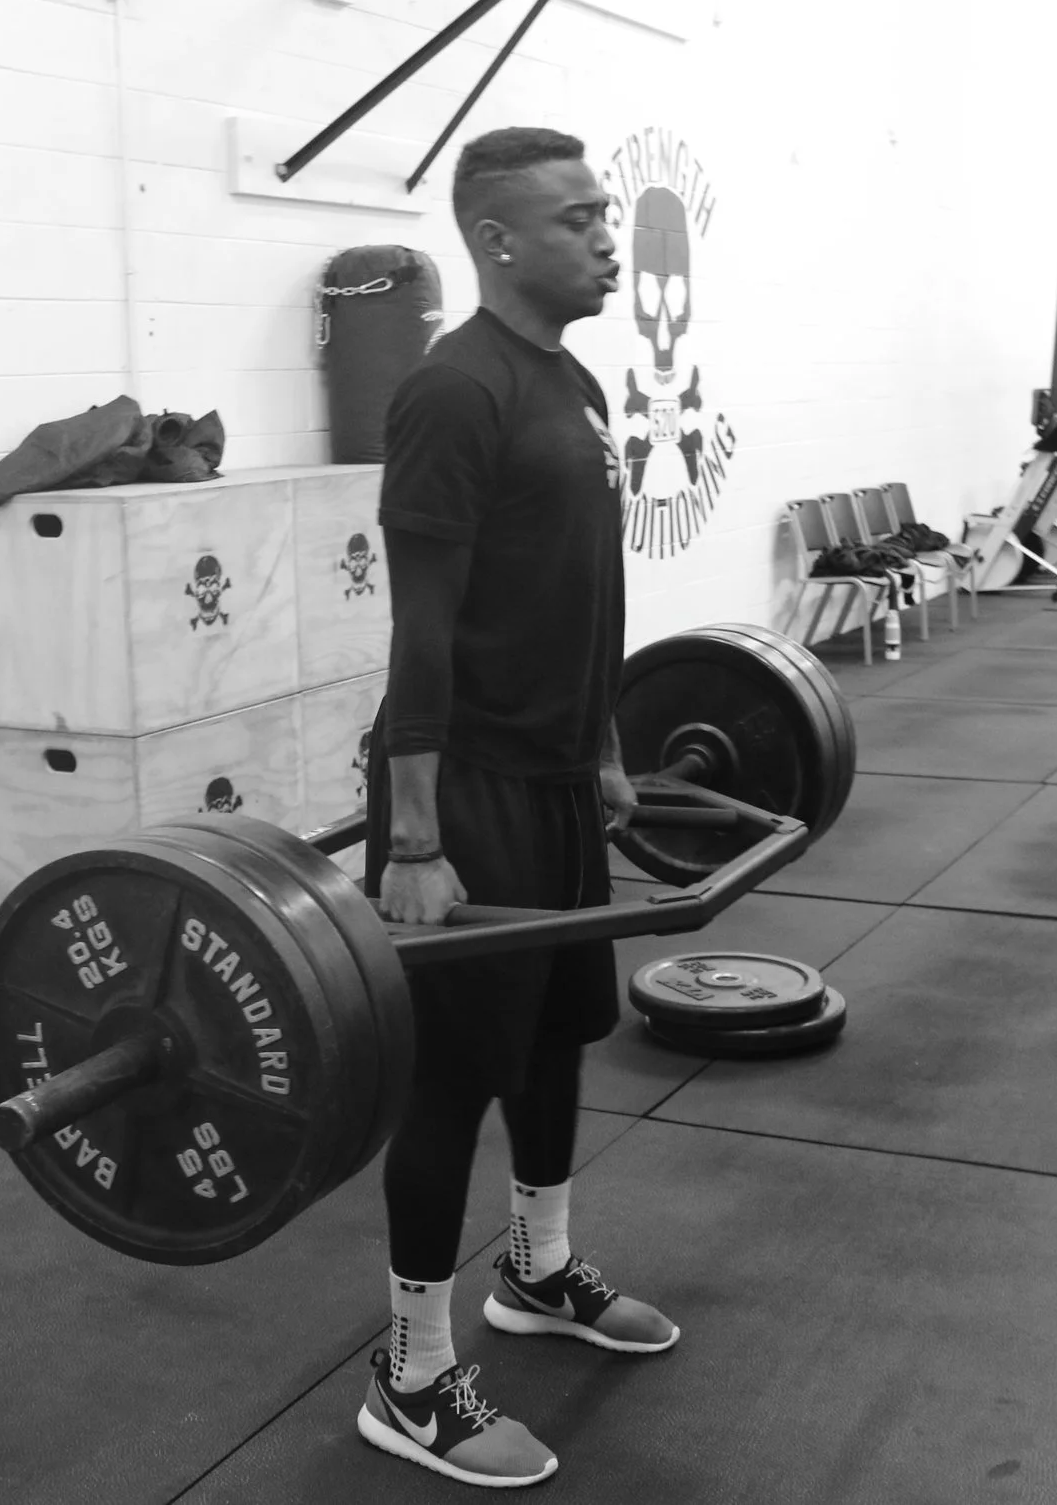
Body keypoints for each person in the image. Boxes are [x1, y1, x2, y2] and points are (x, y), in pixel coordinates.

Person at [352, 127, 679, 1489]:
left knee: (556, 1040)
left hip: (550, 778)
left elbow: (576, 592)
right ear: (499, 238)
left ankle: (538, 1272)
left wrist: (601, 742)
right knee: (453, 1077)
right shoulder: (454, 392)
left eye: (607, 211)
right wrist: (416, 837)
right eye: (581, 217)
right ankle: (411, 1373)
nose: (610, 236)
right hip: (464, 790)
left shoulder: (575, 380)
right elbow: (419, 627)